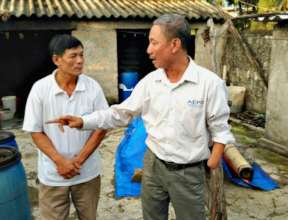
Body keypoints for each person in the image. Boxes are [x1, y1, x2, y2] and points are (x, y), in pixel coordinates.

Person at [48, 14, 235, 220]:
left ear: (174, 44)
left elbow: (220, 130)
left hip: (188, 173)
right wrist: (83, 121)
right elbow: (120, 114)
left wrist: (211, 163)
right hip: (153, 165)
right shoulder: (150, 82)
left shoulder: (209, 84)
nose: (148, 50)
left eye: (154, 43)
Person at [23, 34, 108, 220]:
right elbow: (35, 131)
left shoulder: (93, 87)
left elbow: (102, 126)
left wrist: (79, 161)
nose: (79, 61)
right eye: (73, 56)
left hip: (87, 174)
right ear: (56, 59)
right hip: (53, 175)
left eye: (82, 55)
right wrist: (60, 162)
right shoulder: (40, 89)